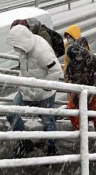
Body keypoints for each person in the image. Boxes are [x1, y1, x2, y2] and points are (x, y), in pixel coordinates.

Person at [6, 24, 62, 156]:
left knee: (48, 120)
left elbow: (56, 70)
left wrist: (44, 87)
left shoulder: (42, 50)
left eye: (17, 46)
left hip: (44, 93)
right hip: (26, 89)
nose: (15, 49)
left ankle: (51, 147)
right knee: (11, 114)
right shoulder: (24, 49)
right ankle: (25, 142)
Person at [64, 37, 96, 132]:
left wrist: (90, 91)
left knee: (93, 108)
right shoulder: (73, 60)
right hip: (77, 88)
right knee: (71, 108)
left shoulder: (93, 59)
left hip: (92, 87)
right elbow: (68, 73)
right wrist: (69, 79)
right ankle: (79, 128)